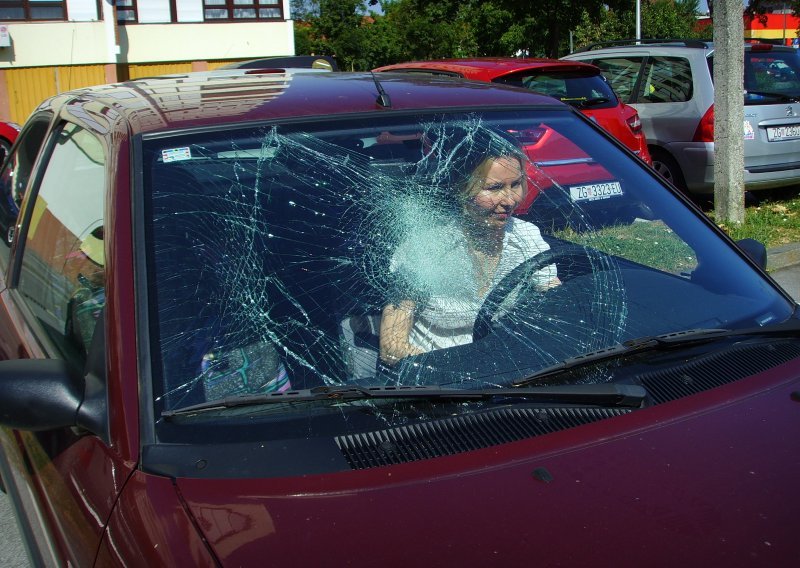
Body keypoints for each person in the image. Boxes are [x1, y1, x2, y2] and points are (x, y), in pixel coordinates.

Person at [379, 126, 560, 365]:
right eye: (494, 188)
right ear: (460, 187)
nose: (510, 200)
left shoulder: (525, 236)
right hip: (436, 380)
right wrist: (459, 369)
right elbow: (391, 348)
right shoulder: (425, 247)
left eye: (515, 184)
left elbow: (557, 302)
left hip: (508, 370)